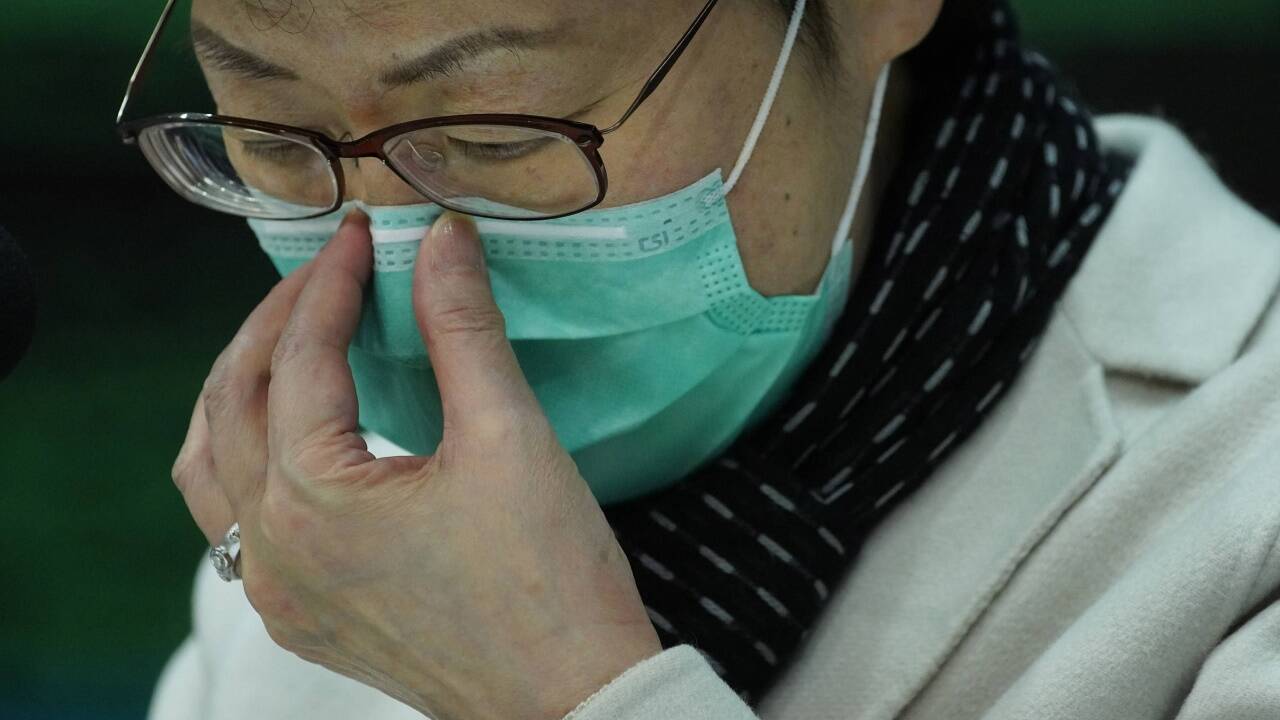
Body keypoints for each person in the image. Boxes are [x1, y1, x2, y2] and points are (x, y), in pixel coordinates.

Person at [119, 0, 1280, 718]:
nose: (386, 262)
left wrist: (558, 695)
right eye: (273, 138)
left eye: (495, 134)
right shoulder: (314, 534)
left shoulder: (1244, 495)